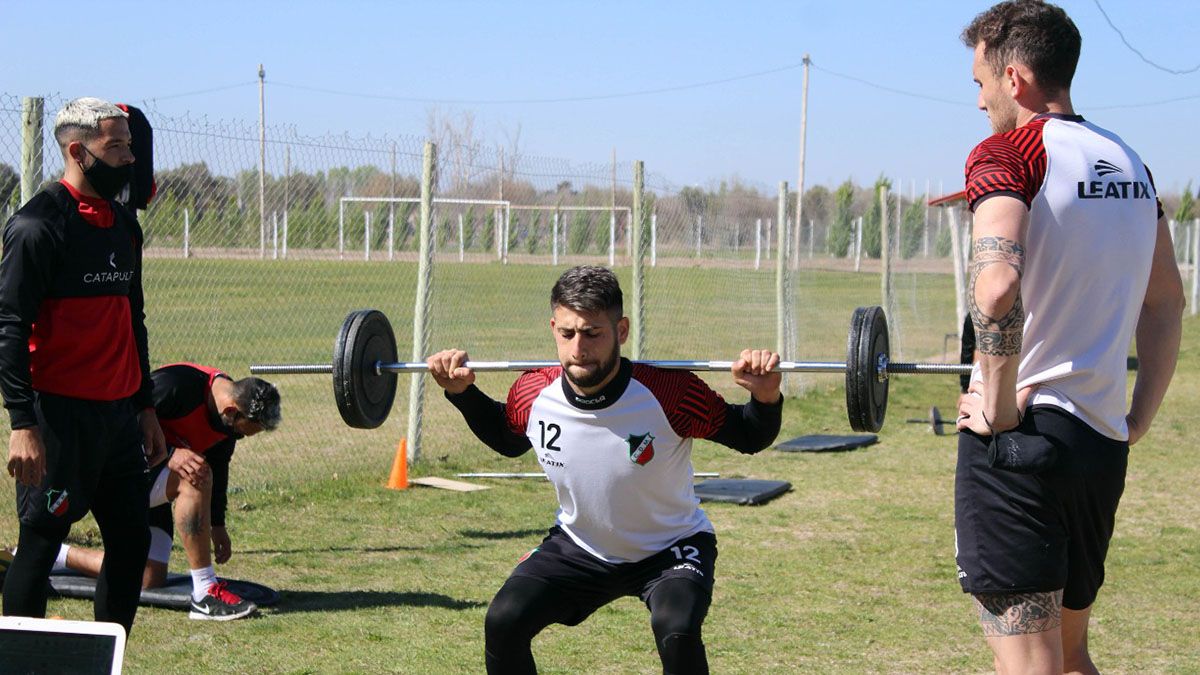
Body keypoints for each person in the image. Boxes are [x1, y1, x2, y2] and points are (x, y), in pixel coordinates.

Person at [953, 2, 1185, 673]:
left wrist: (998, 408)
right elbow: (1167, 300)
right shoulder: (1129, 162)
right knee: (1073, 654)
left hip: (1020, 442)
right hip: (1099, 445)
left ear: (1015, 78)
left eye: (981, 83)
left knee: (1033, 663)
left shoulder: (1007, 153)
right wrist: (1136, 418)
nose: (979, 102)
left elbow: (996, 288)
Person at [427, 265, 784, 674]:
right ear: (553, 328)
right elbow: (509, 440)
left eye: (592, 333)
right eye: (567, 333)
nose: (578, 348)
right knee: (504, 620)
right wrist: (463, 394)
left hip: (670, 548)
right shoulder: (533, 392)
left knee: (677, 628)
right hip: (581, 546)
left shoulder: (670, 393)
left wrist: (765, 397)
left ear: (622, 330)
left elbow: (748, 436)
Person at [0, 97, 167, 635]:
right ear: (78, 152)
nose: (129, 158)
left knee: (132, 541)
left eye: (129, 146)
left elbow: (133, 319)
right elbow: (9, 327)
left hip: (119, 419)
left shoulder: (124, 225)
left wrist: (144, 407)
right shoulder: (36, 226)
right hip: (59, 421)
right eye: (115, 147)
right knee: (40, 542)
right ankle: (22, 662)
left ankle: (108, 656)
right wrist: (23, 423)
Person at [49, 364, 281, 621]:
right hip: (112, 475)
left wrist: (217, 524)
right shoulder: (174, 386)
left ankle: (55, 555)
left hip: (150, 478)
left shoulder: (225, 420)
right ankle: (205, 592)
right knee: (195, 475)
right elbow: (115, 420)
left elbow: (219, 465)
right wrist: (171, 453)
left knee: (148, 577)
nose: (237, 437)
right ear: (230, 411)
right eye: (240, 432)